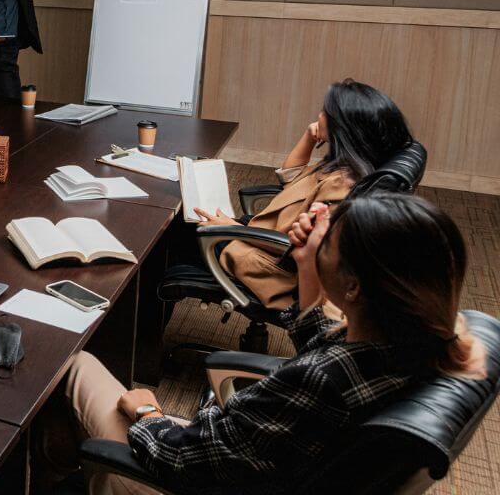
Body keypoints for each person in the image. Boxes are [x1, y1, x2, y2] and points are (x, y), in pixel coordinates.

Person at [47, 192, 486, 495]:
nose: (320, 237)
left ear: (353, 289)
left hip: (186, 475)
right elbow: (321, 340)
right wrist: (307, 263)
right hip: (255, 464)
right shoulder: (420, 342)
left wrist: (146, 411)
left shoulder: (318, 381)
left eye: (331, 241)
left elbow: (183, 458)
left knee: (72, 361)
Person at [195, 79, 413, 310]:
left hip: (273, 264)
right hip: (265, 236)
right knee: (192, 221)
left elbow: (303, 248)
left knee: (177, 234)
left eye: (324, 112)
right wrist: (309, 137)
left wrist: (232, 227)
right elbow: (290, 176)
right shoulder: (350, 164)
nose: (318, 116)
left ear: (343, 128)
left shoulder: (342, 186)